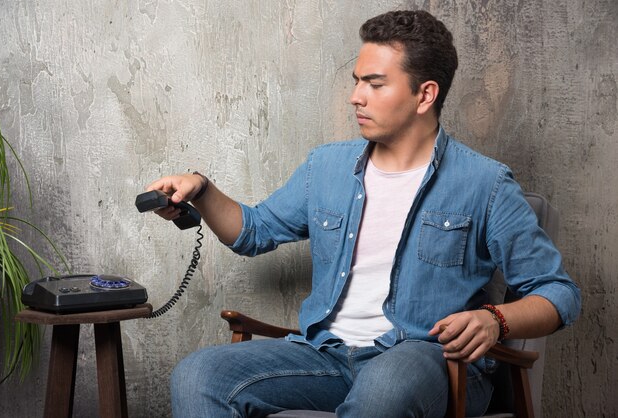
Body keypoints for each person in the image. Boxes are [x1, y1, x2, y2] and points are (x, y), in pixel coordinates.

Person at [148, 9, 581, 418]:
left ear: (424, 94)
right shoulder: (327, 167)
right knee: (199, 374)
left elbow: (559, 294)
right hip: (326, 355)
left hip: (427, 361)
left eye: (375, 84)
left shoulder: (484, 183)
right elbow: (253, 231)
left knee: (385, 387)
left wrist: (495, 319)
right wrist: (201, 190)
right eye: (357, 81)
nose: (356, 97)